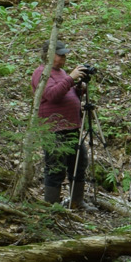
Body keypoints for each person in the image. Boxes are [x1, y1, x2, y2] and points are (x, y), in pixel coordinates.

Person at [31, 42, 89, 205]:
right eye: (60, 54)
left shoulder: (61, 72)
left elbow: (65, 92)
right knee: (56, 168)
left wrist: (78, 88)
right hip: (53, 129)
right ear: (48, 55)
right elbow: (51, 95)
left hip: (72, 127)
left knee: (79, 164)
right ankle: (51, 207)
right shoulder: (41, 73)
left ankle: (77, 202)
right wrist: (71, 78)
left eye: (64, 54)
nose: (64, 57)